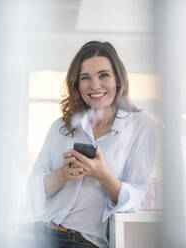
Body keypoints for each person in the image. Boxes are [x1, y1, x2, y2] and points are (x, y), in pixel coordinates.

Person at [28, 41, 157, 248]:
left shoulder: (141, 126)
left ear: (118, 79)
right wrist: (62, 175)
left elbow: (136, 199)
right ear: (77, 84)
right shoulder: (61, 126)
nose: (94, 85)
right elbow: (33, 189)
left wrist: (101, 174)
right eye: (85, 77)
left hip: (86, 241)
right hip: (40, 233)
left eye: (103, 75)